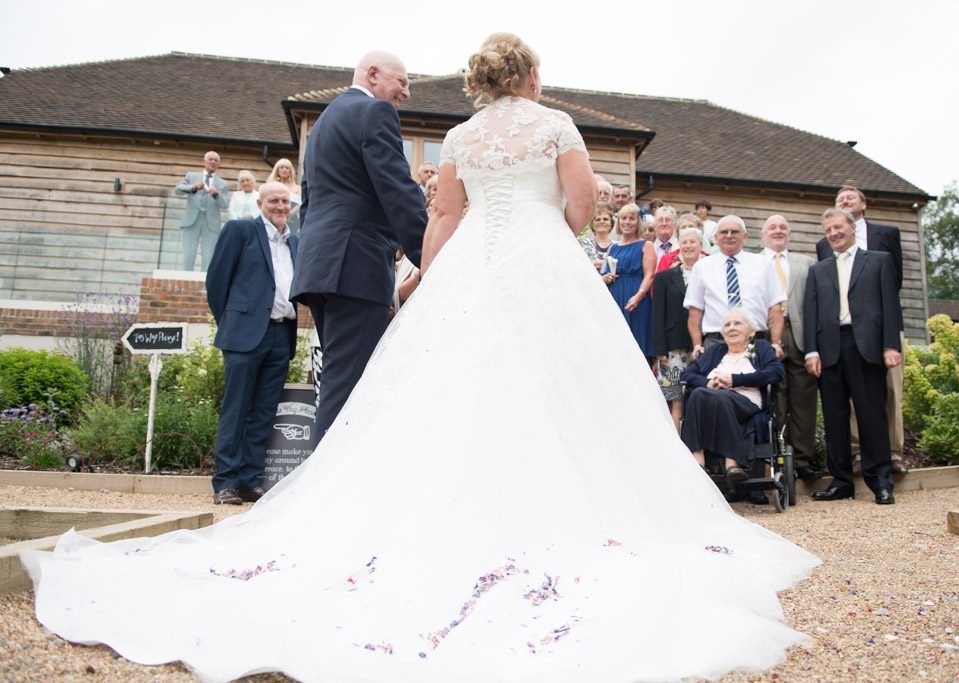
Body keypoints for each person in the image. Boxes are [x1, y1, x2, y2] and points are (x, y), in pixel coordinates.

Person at [23, 33, 818, 683]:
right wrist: (556, 236)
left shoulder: (461, 136)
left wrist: (436, 282)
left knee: (439, 387)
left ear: (477, 80)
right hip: (540, 259)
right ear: (532, 76)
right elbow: (579, 203)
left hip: (472, 263)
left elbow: (441, 216)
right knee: (565, 385)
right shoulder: (554, 125)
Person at [291, 50, 428, 447]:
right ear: (372, 75)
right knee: (348, 390)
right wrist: (433, 259)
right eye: (401, 82)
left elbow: (309, 201)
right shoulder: (375, 114)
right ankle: (320, 498)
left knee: (338, 379)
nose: (405, 93)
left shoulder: (325, 123)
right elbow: (398, 190)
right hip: (355, 267)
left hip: (321, 268)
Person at [204, 182, 299, 505]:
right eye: (274, 200)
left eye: (285, 201)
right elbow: (217, 282)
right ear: (259, 203)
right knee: (237, 408)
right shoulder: (240, 231)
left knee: (263, 413)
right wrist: (232, 323)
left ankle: (249, 479)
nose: (280, 206)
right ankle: (226, 482)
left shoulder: (295, 242)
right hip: (245, 334)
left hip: (281, 334)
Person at [805, 208, 902, 505]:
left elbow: (890, 305)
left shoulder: (879, 261)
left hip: (866, 345)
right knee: (834, 418)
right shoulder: (818, 270)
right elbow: (811, 312)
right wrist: (811, 350)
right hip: (830, 347)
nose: (833, 234)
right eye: (828, 231)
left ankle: (880, 481)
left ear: (852, 228)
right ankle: (842, 481)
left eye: (837, 228)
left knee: (871, 415)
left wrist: (890, 345)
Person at [681, 307, 784, 479]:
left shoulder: (761, 348)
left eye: (737, 323)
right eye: (727, 325)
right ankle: (697, 459)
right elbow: (687, 374)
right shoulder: (716, 351)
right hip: (713, 399)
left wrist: (735, 380)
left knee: (723, 396)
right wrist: (708, 383)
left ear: (751, 331)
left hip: (746, 402)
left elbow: (776, 372)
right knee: (698, 394)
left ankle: (733, 461)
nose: (731, 328)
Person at [760, 214, 821, 482]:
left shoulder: (807, 264)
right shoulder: (754, 263)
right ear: (763, 235)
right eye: (772, 227)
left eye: (783, 227)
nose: (778, 231)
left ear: (790, 233)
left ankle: (802, 460)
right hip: (766, 335)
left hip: (799, 336)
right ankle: (774, 459)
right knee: (774, 400)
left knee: (804, 400)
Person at [684, 215, 785, 358]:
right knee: (716, 381)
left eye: (735, 232)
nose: (729, 236)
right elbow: (695, 311)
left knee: (756, 381)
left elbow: (775, 308)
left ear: (745, 236)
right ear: (716, 237)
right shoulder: (702, 267)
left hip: (756, 341)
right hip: (715, 342)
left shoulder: (764, 265)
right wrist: (697, 345)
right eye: (724, 232)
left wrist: (775, 343)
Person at [651, 226, 702, 432]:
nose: (689, 246)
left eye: (693, 242)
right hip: (673, 347)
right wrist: (659, 349)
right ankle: (675, 445)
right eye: (685, 242)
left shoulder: (709, 273)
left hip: (703, 344)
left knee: (698, 398)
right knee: (674, 399)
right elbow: (657, 314)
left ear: (701, 246)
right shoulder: (665, 277)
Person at [601, 202, 655, 357]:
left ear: (638, 222)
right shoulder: (613, 248)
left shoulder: (646, 245)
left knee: (636, 342)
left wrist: (638, 296)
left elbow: (650, 275)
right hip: (615, 296)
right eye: (623, 218)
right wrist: (605, 278)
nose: (627, 222)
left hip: (636, 297)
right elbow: (604, 271)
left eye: (632, 219)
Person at [174, 150, 228, 270]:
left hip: (211, 224)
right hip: (191, 221)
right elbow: (177, 190)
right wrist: (192, 187)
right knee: (188, 254)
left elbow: (225, 205)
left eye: (216, 160)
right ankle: (185, 281)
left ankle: (205, 283)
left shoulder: (223, 184)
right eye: (210, 159)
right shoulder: (191, 176)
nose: (213, 162)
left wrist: (216, 194)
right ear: (204, 162)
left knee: (208, 256)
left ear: (218, 164)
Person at [268, 158, 302, 234]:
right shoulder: (272, 186)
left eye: (287, 168)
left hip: (294, 221)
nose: (284, 170)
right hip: (275, 219)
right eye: (282, 167)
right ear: (277, 170)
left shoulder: (298, 188)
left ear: (290, 171)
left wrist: (290, 213)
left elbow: (301, 204)